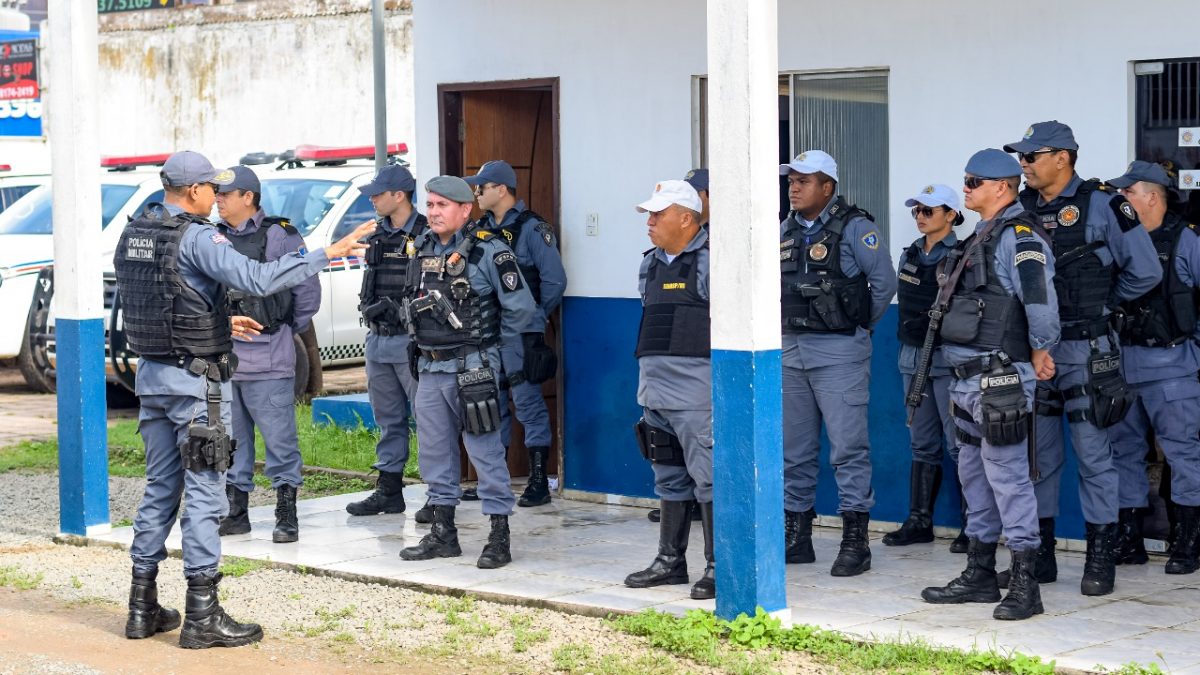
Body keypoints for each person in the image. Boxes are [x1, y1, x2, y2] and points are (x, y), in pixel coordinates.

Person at [115, 151, 374, 647]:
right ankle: (201, 616)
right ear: (193, 192)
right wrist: (326, 251)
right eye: (212, 188)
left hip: (153, 379)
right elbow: (256, 279)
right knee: (207, 496)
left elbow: (162, 302)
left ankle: (141, 608)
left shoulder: (137, 233)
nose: (216, 197)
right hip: (199, 387)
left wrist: (216, 322)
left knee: (160, 490)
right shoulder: (197, 236)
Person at [1004, 121, 1161, 596]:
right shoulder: (1018, 208)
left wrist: (1103, 306)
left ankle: (1100, 560)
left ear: (1063, 158)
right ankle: (1042, 559)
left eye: (1032, 156)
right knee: (1040, 458)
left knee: (1095, 456)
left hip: (1087, 351)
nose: (1024, 165)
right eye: (1022, 158)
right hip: (1034, 352)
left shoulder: (1106, 204)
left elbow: (1146, 273)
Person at [920, 149, 1059, 621]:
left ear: (1002, 187)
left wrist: (1041, 348)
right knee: (974, 478)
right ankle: (980, 574)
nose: (966, 189)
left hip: (999, 378)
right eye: (965, 180)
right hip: (966, 381)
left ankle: (1025, 583)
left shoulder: (1019, 236)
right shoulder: (982, 233)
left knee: (1008, 477)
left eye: (975, 182)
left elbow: (1038, 299)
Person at [398, 176, 537, 569]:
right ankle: (444, 533)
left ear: (465, 210)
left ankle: (499, 534)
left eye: (442, 205)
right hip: (429, 366)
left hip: (474, 367)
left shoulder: (490, 252)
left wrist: (498, 355)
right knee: (435, 453)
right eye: (430, 204)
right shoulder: (421, 248)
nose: (434, 212)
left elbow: (520, 310)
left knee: (484, 451)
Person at [778, 150, 897, 576]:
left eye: (804, 181)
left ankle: (855, 541)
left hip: (839, 353)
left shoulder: (855, 228)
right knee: (794, 450)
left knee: (848, 449)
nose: (793, 187)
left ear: (827, 187)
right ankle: (797, 535)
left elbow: (883, 283)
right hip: (791, 351)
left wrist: (859, 326)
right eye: (791, 180)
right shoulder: (785, 230)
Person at [214, 166, 321, 544]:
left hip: (269, 358)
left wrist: (283, 327)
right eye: (216, 193)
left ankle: (286, 512)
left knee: (279, 441)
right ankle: (237, 511)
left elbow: (306, 291)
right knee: (232, 440)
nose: (218, 200)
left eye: (226, 194)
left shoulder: (279, 235)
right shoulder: (215, 236)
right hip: (226, 361)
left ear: (249, 197)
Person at [623, 179, 715, 601]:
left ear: (686, 218)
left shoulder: (712, 261)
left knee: (710, 479)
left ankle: (719, 565)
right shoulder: (651, 263)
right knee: (668, 478)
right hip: (654, 390)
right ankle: (670, 562)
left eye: (659, 214)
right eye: (650, 214)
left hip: (696, 392)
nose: (651, 220)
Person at [1107, 160, 1200, 574]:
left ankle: (1187, 542)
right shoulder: (1119, 240)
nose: (1121, 198)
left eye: (1128, 192)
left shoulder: (1186, 241)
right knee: (1123, 454)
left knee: (1184, 455)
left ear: (1152, 196)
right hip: (1123, 365)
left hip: (1173, 368)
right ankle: (1130, 539)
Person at [463, 160, 566, 508]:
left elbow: (554, 281)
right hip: (486, 331)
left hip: (520, 334)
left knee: (527, 404)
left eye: (482, 187)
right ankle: (495, 480)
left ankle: (538, 481)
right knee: (491, 405)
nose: (476, 192)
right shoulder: (478, 229)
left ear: (501, 190)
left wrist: (532, 317)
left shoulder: (533, 229)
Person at [885, 183, 967, 551]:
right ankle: (919, 521)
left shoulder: (963, 255)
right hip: (913, 358)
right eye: (916, 210)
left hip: (948, 361)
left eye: (928, 211)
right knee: (921, 444)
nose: (920, 217)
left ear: (951, 215)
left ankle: (974, 526)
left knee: (959, 445)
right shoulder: (909, 255)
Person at [345, 165, 427, 518]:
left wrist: (404, 312)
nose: (372, 198)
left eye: (378, 193)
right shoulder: (377, 234)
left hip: (413, 343)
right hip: (378, 341)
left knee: (429, 421)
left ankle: (439, 496)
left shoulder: (426, 233)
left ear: (400, 195)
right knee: (388, 420)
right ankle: (389, 490)